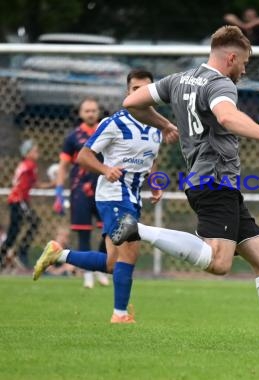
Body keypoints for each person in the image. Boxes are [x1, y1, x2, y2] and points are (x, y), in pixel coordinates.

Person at [115, 25, 259, 350]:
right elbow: (228, 117)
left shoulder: (179, 79)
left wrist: (165, 123)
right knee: (219, 263)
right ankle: (141, 230)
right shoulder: (220, 83)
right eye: (244, 62)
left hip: (216, 183)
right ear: (231, 56)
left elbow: (131, 100)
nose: (245, 69)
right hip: (214, 180)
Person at [33, 69, 171, 323]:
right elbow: (83, 157)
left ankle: (58, 255)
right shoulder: (113, 123)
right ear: (127, 93)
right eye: (135, 89)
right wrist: (105, 169)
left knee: (112, 263)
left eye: (145, 89)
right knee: (130, 248)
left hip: (132, 196)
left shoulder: (156, 127)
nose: (140, 94)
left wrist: (154, 182)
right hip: (112, 195)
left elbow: (149, 160)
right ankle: (119, 314)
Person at [53, 97, 109, 288]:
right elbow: (63, 166)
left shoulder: (107, 132)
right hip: (80, 192)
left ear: (98, 112)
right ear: (81, 113)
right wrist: (59, 192)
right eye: (87, 111)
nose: (91, 113)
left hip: (104, 189)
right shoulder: (72, 138)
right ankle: (87, 274)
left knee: (108, 232)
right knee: (83, 234)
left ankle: (101, 268)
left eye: (94, 110)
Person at [0, 140, 51, 269]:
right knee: (34, 222)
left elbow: (35, 184)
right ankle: (22, 250)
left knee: (14, 231)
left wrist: (53, 184)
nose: (37, 153)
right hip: (19, 200)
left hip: (18, 200)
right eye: (34, 150)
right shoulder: (30, 165)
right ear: (27, 153)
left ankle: (5, 255)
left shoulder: (24, 164)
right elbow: (24, 184)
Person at [224, 8, 259, 80]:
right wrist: (243, 26)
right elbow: (228, 17)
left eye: (252, 16)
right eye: (248, 16)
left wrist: (251, 25)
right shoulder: (238, 28)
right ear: (244, 17)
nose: (250, 18)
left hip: (255, 62)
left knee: (254, 78)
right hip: (239, 61)